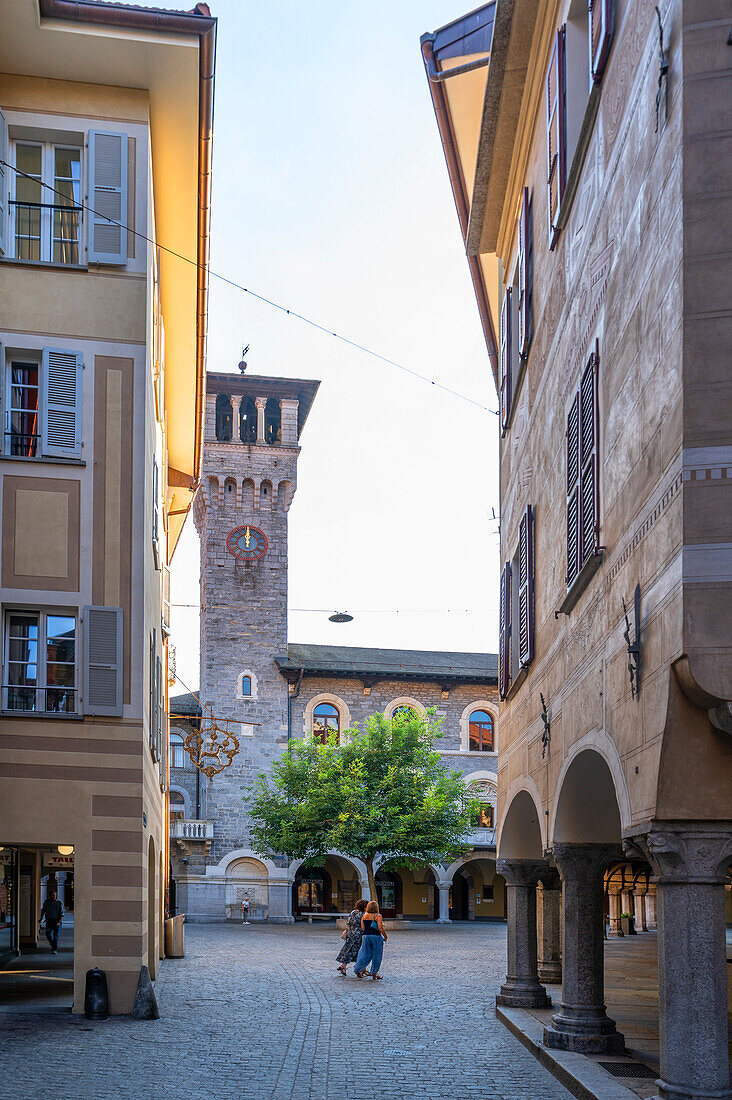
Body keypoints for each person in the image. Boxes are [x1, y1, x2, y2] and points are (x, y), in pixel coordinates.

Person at [355, 899, 387, 980]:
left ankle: (358, 970)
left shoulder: (364, 916)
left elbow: (363, 927)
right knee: (377, 955)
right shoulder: (378, 916)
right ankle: (374, 973)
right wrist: (385, 936)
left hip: (366, 936)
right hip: (376, 936)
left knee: (364, 953)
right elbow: (380, 928)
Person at [337, 898, 367, 975]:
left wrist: (349, 931)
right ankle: (362, 969)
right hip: (359, 935)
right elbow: (364, 926)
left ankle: (343, 966)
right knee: (360, 952)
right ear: (364, 907)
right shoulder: (363, 915)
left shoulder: (353, 912)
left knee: (349, 951)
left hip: (351, 934)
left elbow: (348, 923)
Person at [40, 889, 64, 954]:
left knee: (56, 935)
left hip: (56, 921)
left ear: (56, 895)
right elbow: (43, 911)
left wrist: (59, 922)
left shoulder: (59, 903)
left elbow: (62, 914)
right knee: (48, 934)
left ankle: (55, 949)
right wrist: (41, 918)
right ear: (49, 895)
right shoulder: (46, 902)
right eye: (51, 895)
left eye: (53, 894)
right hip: (49, 921)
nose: (52, 896)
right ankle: (53, 945)